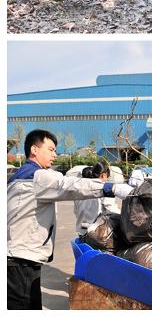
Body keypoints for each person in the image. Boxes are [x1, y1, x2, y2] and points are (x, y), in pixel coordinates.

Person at [7, 129, 132, 309]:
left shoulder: (18, 177)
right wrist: (111, 188)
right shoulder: (37, 176)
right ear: (34, 149)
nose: (55, 155)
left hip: (19, 257)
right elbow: (69, 185)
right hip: (20, 260)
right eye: (50, 149)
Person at [73, 160, 119, 234]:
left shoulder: (81, 189)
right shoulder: (104, 188)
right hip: (96, 234)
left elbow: (76, 211)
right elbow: (111, 209)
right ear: (104, 175)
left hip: (80, 230)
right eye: (108, 176)